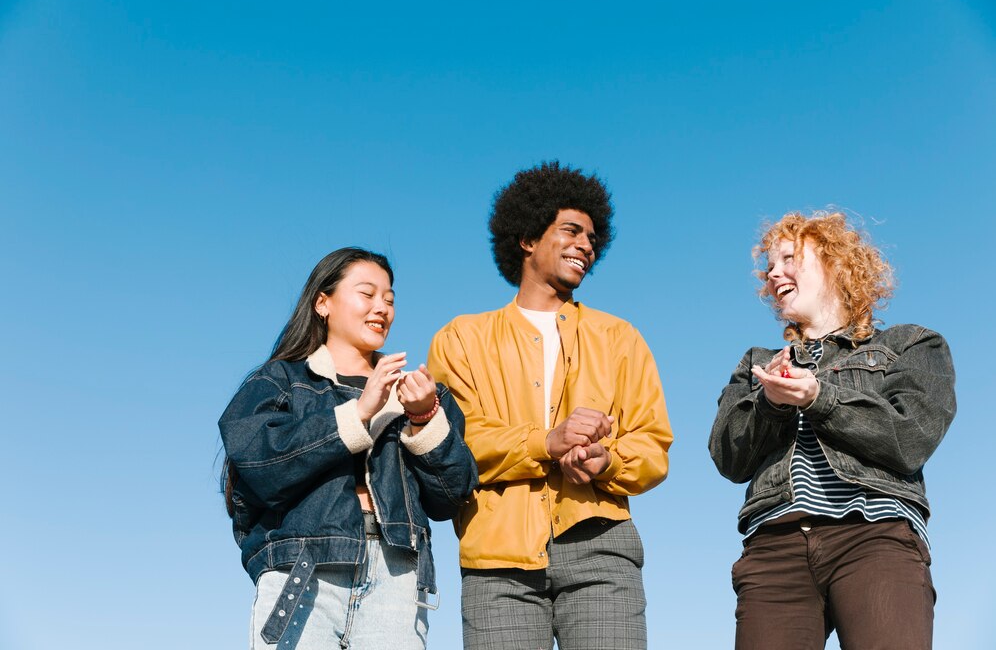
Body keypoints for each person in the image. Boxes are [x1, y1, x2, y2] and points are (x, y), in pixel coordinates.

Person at [428, 161, 674, 650]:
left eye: (593, 236)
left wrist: (607, 461)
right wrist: (546, 442)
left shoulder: (620, 338)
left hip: (602, 548)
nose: (587, 244)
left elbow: (652, 444)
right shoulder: (461, 339)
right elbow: (454, 445)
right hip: (497, 562)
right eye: (571, 230)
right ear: (527, 238)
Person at [709, 211, 956, 649]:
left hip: (873, 534)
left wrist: (818, 398)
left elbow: (911, 438)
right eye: (768, 267)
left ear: (835, 262)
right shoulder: (757, 363)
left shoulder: (910, 345)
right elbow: (729, 458)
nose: (773, 273)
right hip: (775, 546)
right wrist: (771, 404)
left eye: (788, 258)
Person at [219, 247, 478, 650]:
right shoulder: (282, 380)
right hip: (303, 569)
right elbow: (256, 463)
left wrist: (425, 417)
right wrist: (357, 413)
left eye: (389, 299)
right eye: (367, 294)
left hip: (399, 576)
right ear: (323, 303)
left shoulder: (421, 395)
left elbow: (452, 497)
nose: (382, 308)